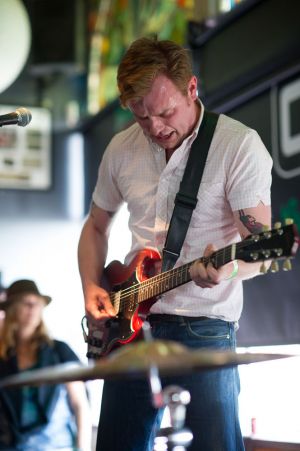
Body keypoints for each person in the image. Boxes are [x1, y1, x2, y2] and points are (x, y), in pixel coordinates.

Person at [78, 36, 272, 451]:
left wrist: (230, 268)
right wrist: (92, 286)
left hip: (204, 328)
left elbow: (262, 248)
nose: (155, 128)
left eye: (165, 112)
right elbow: (96, 227)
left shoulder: (237, 145)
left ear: (192, 88)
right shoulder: (120, 148)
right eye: (141, 117)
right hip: (128, 329)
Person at [0, 279, 93, 451]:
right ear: (11, 309)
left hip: (58, 446)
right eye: (26, 302)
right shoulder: (3, 357)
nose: (33, 308)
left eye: (37, 303)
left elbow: (80, 406)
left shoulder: (59, 351)